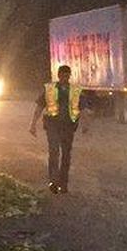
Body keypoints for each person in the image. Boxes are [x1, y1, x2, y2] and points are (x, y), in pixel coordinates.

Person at [29, 63, 85, 193]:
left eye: (67, 75)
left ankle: (63, 183)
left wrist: (86, 124)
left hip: (69, 127)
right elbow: (39, 107)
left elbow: (83, 108)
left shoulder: (75, 91)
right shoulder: (50, 89)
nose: (65, 78)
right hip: (52, 125)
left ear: (69, 76)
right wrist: (33, 124)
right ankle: (53, 181)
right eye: (63, 75)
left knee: (66, 155)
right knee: (54, 152)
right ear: (59, 76)